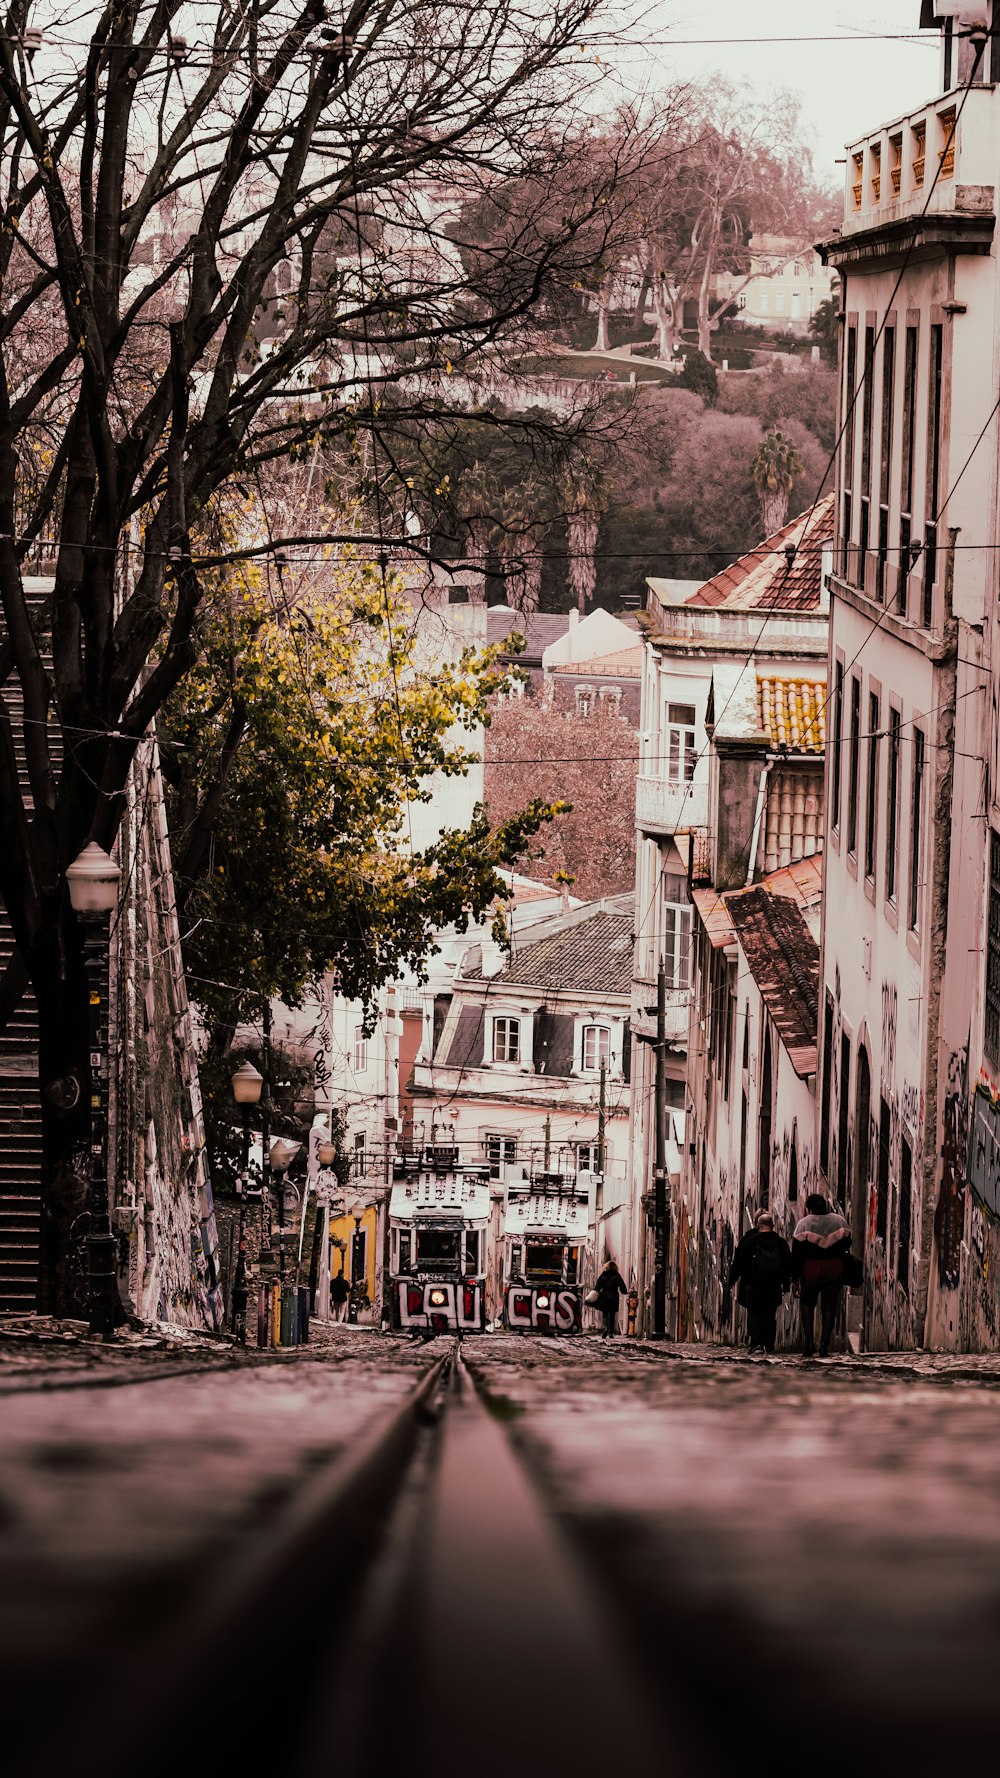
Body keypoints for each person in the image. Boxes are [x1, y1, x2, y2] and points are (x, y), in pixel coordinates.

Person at [792, 1192, 852, 1357]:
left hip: (811, 1268)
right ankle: (824, 1345)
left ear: (809, 1208)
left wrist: (795, 1279)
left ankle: (809, 1343)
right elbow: (848, 1243)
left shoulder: (803, 1224)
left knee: (807, 1304)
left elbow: (796, 1254)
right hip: (834, 1267)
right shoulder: (840, 1221)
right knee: (829, 1306)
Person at [728, 1208, 792, 1354]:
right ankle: (769, 1344)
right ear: (773, 1226)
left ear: (758, 1225)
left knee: (754, 1313)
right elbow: (787, 1264)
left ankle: (757, 1343)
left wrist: (732, 1280)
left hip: (753, 1284)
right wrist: (786, 1285)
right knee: (770, 1314)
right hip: (773, 1285)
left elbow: (740, 1262)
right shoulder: (781, 1243)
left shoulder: (751, 1241)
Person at [594, 1256, 627, 1337]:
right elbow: (622, 1285)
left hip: (604, 1295)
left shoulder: (604, 1274)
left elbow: (598, 1285)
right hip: (614, 1295)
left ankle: (605, 1328)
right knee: (612, 1314)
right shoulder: (617, 1275)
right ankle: (611, 1331)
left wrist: (596, 1291)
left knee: (605, 1313)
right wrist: (624, 1292)